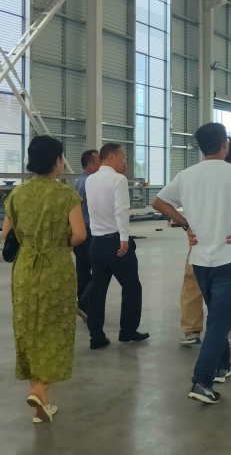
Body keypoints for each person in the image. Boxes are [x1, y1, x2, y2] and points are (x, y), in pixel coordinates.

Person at [153, 123, 231, 404]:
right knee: (219, 321)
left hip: (200, 261)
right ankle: (202, 381)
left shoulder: (187, 175)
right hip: (228, 260)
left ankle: (221, 367)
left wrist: (185, 224)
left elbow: (160, 202)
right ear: (224, 145)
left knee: (218, 316)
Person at [2, 135, 87, 423]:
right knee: (54, 329)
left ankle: (41, 405)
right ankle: (40, 390)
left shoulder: (17, 194)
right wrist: (61, 243)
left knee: (28, 328)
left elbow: (6, 234)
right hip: (55, 269)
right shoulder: (66, 195)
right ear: (57, 161)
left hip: (25, 269)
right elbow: (80, 234)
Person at [172, 137, 231, 346]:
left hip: (199, 242)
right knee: (225, 288)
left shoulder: (192, 174)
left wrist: (186, 225)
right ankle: (221, 329)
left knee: (193, 283)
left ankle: (192, 330)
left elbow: (161, 201)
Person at [84, 143, 148, 350]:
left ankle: (96, 336)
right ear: (111, 157)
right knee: (131, 286)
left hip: (96, 242)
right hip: (116, 242)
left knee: (98, 290)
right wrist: (124, 238)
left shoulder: (90, 179)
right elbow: (121, 210)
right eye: (122, 157)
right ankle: (127, 331)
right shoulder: (118, 180)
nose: (124, 161)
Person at [73, 149, 101, 321]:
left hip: (81, 229)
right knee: (96, 271)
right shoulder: (90, 182)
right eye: (99, 161)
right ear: (90, 165)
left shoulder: (78, 181)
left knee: (82, 269)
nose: (102, 164)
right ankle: (84, 303)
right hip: (89, 230)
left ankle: (84, 303)